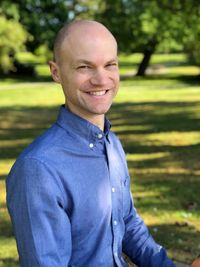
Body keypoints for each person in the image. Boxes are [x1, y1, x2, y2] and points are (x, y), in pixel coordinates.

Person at [6, 20, 176, 267]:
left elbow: (125, 221)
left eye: (110, 65)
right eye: (85, 66)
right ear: (56, 72)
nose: (101, 79)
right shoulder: (38, 169)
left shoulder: (111, 143)